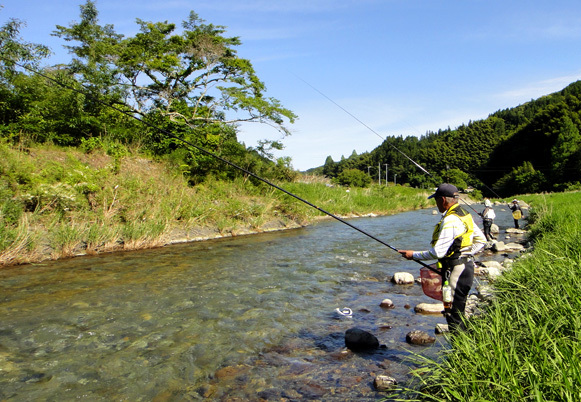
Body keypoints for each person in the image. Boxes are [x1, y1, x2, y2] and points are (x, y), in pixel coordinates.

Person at [398, 183, 487, 331]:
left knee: (453, 314)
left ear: (443, 200)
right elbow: (481, 241)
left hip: (456, 272)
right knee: (458, 310)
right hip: (466, 268)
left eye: (436, 200)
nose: (436, 203)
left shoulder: (451, 220)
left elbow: (438, 252)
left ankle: (461, 350)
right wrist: (465, 255)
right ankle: (463, 348)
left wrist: (412, 255)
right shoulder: (464, 214)